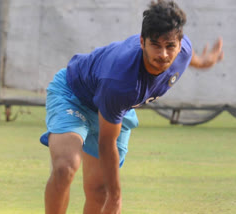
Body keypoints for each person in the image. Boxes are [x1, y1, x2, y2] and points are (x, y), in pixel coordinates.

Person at [39, 0, 224, 213]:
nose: (163, 54)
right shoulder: (122, 81)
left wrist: (203, 61)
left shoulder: (182, 50)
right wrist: (117, 198)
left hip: (116, 107)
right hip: (75, 94)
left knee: (100, 191)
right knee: (65, 168)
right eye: (155, 45)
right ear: (142, 42)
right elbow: (106, 143)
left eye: (170, 46)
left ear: (179, 45)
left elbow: (187, 55)